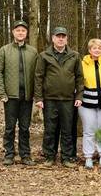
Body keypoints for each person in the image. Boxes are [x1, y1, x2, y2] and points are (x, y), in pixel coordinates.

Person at [34, 26, 84, 168]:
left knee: (67, 130)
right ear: (53, 38)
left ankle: (67, 158)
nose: (61, 39)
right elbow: (38, 77)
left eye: (63, 36)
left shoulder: (74, 55)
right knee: (50, 129)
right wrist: (38, 98)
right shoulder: (44, 55)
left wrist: (79, 96)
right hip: (50, 99)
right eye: (58, 36)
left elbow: (80, 78)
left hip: (68, 99)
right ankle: (49, 157)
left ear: (67, 39)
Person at [0, 20, 38, 166]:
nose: (20, 33)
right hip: (10, 97)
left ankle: (25, 155)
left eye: (23, 31)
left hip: (27, 96)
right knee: (9, 127)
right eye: (18, 30)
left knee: (25, 128)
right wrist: (2, 93)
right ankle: (9, 154)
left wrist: (36, 94)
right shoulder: (4, 50)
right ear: (13, 32)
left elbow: (38, 75)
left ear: (26, 33)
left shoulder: (32, 51)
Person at [79, 39, 101, 169]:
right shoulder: (83, 63)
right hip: (87, 101)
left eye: (99, 48)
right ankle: (88, 157)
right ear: (89, 50)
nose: (97, 50)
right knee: (89, 130)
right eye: (94, 48)